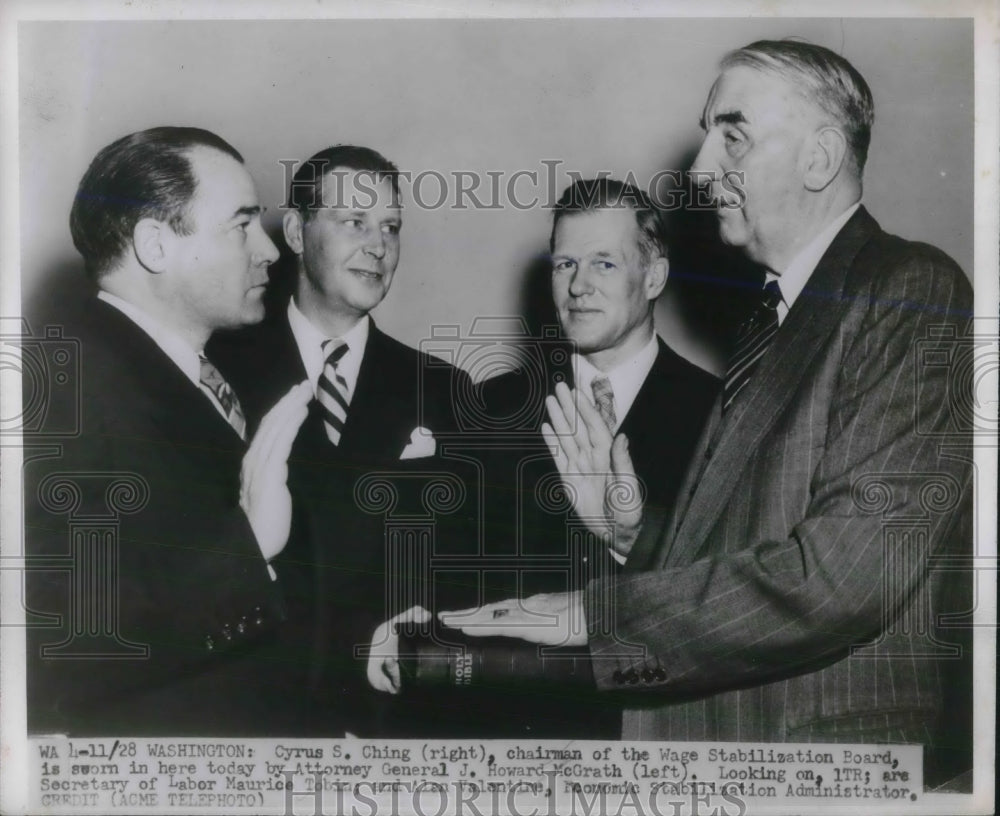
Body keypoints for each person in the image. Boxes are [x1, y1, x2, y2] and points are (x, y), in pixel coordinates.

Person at [440, 40, 973, 786]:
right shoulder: (774, 321)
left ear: (819, 157)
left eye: (733, 135)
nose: (697, 170)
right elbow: (749, 549)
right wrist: (634, 530)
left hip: (820, 766)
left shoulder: (908, 290)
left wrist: (596, 617)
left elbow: (845, 574)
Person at [24, 126, 312, 736]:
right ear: (155, 245)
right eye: (241, 225)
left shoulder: (187, 373)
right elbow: (66, 646)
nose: (269, 250)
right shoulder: (70, 399)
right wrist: (250, 544)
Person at [210, 144, 475, 735]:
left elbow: (468, 564)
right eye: (354, 222)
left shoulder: (446, 390)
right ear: (300, 233)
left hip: (395, 725)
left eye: (391, 228)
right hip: (250, 719)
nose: (378, 246)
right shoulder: (215, 371)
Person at [461, 178, 718, 737]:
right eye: (563, 265)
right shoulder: (492, 407)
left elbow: (729, 593)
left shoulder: (721, 415)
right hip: (512, 734)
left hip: (662, 731)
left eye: (603, 264)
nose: (577, 286)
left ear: (654, 276)